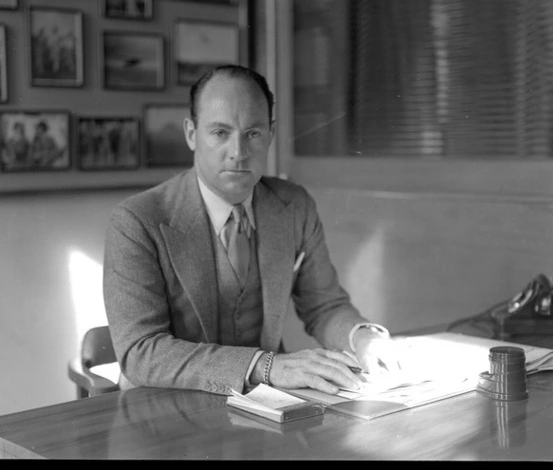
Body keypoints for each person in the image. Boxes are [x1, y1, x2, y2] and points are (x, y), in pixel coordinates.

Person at [103, 64, 400, 396]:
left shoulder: (294, 206)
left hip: (266, 405)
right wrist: (265, 366)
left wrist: (363, 337)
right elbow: (141, 352)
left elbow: (324, 305)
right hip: (164, 408)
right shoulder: (136, 220)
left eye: (253, 133)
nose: (238, 152)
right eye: (220, 132)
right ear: (191, 133)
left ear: (270, 134)